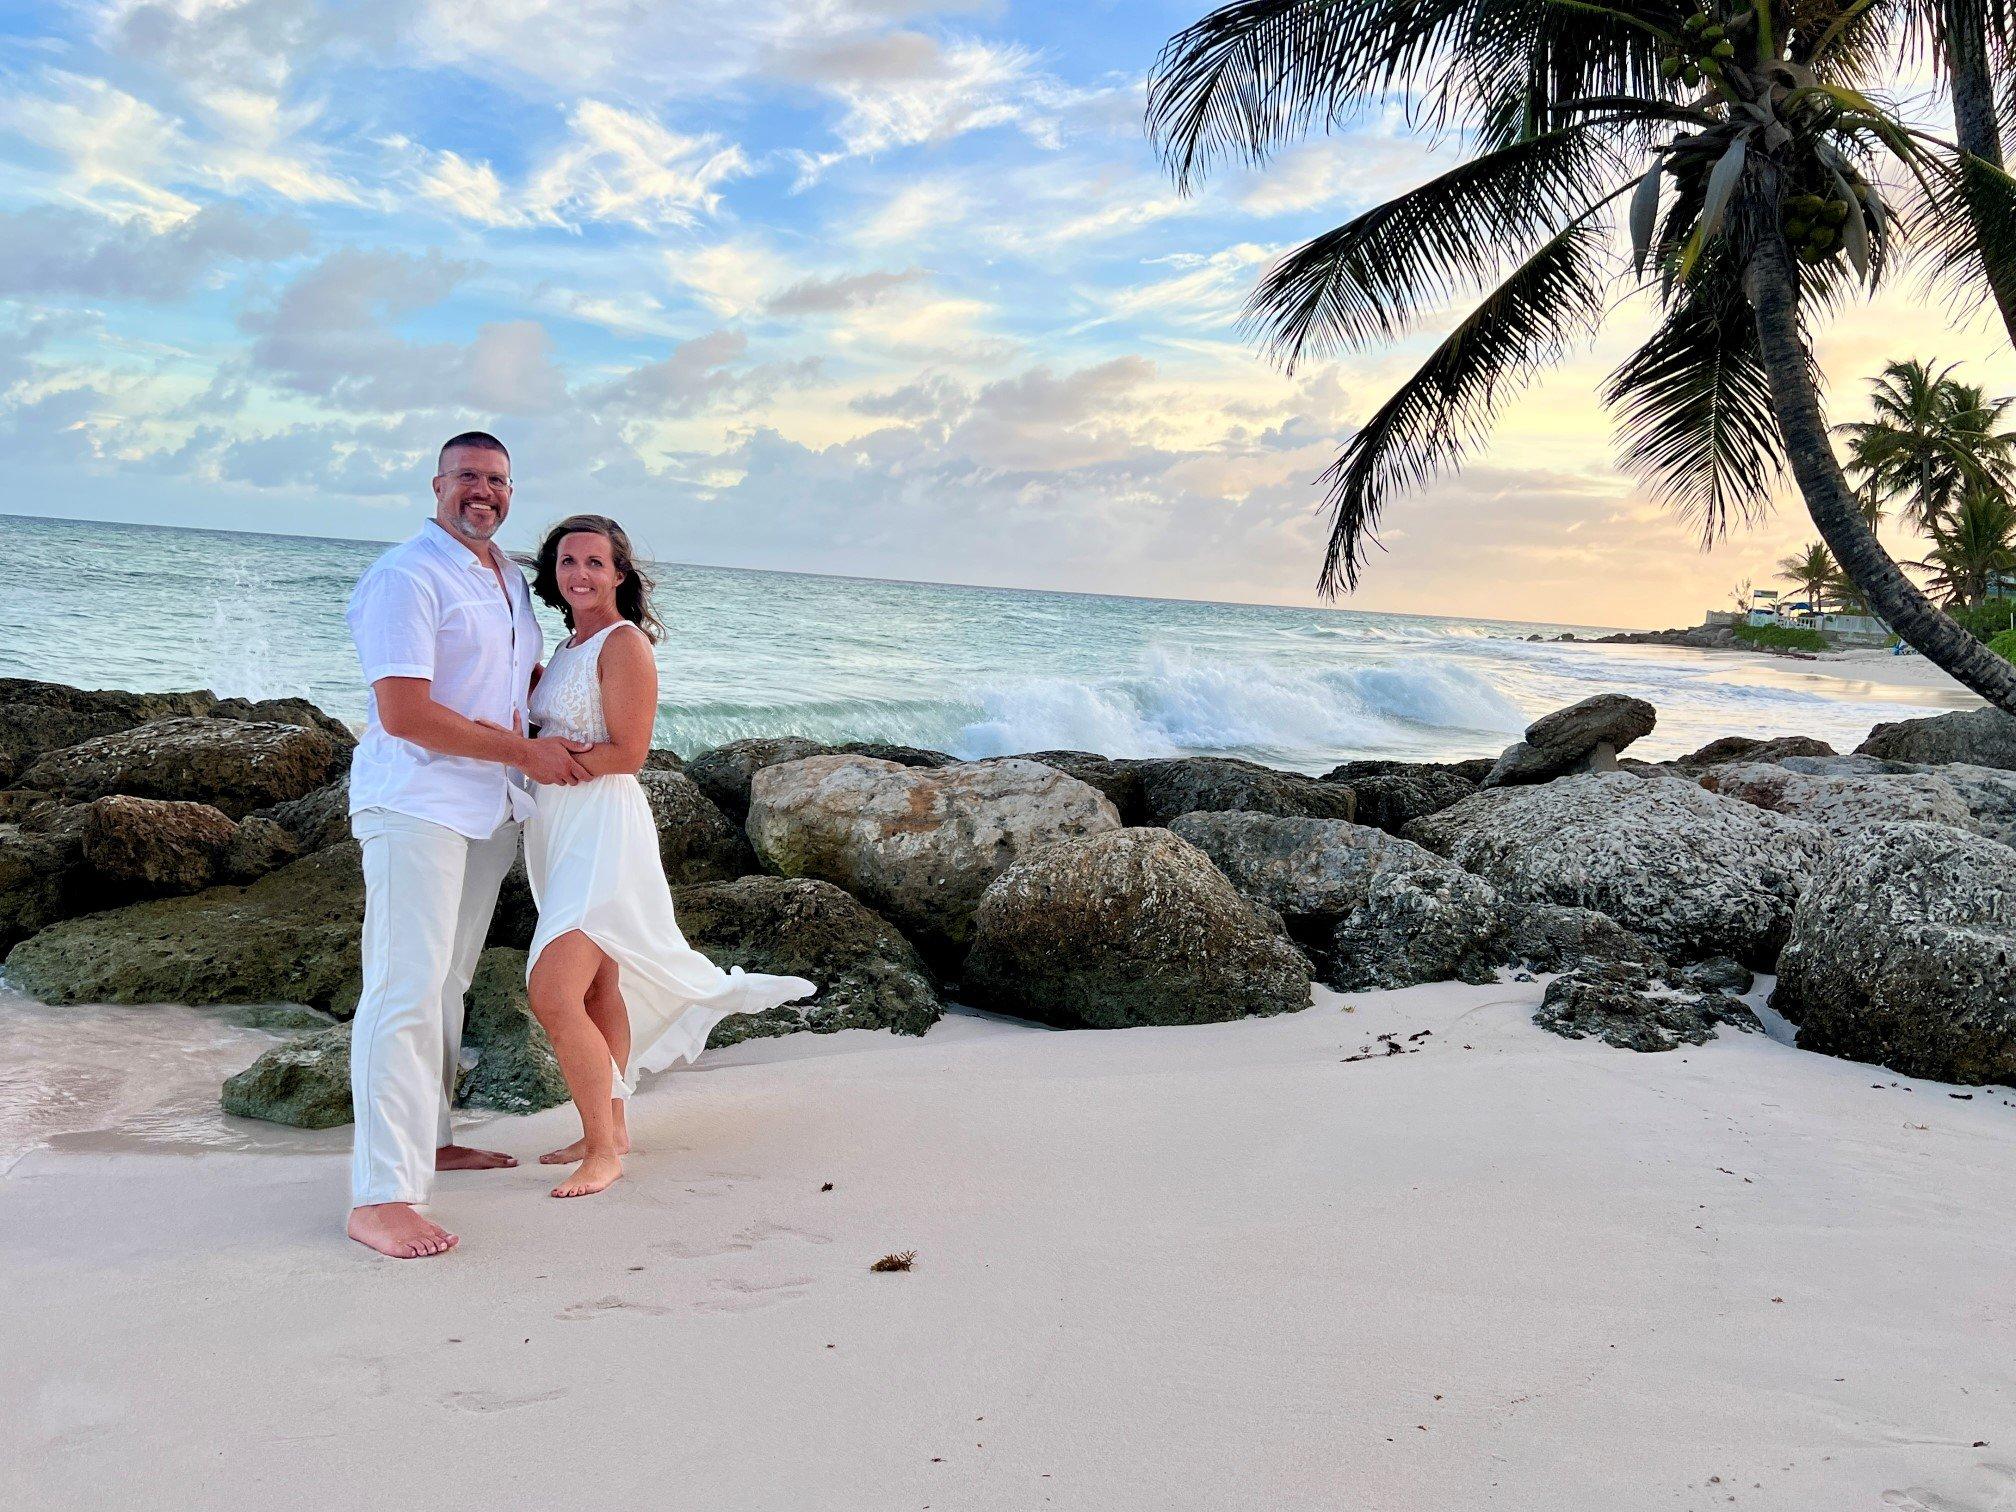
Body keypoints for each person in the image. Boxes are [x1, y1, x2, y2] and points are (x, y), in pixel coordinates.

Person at [343, 432, 595, 1260]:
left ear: (511, 492)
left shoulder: (505, 578)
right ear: (437, 484)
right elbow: (405, 713)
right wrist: (528, 754)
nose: (481, 491)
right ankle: (380, 1196)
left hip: (487, 809)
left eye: (496, 480)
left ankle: (432, 1142)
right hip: (415, 802)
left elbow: (506, 685)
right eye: (466, 478)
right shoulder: (405, 576)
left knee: (445, 985)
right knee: (403, 989)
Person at [520, 514, 816, 1199]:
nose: (581, 574)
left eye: (595, 562)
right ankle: (611, 1127)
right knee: (597, 989)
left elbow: (629, 752)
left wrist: (547, 758)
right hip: (558, 828)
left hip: (601, 828)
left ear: (620, 573)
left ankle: (601, 1154)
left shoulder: (624, 645)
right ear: (553, 574)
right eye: (569, 562)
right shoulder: (568, 646)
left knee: (554, 991)